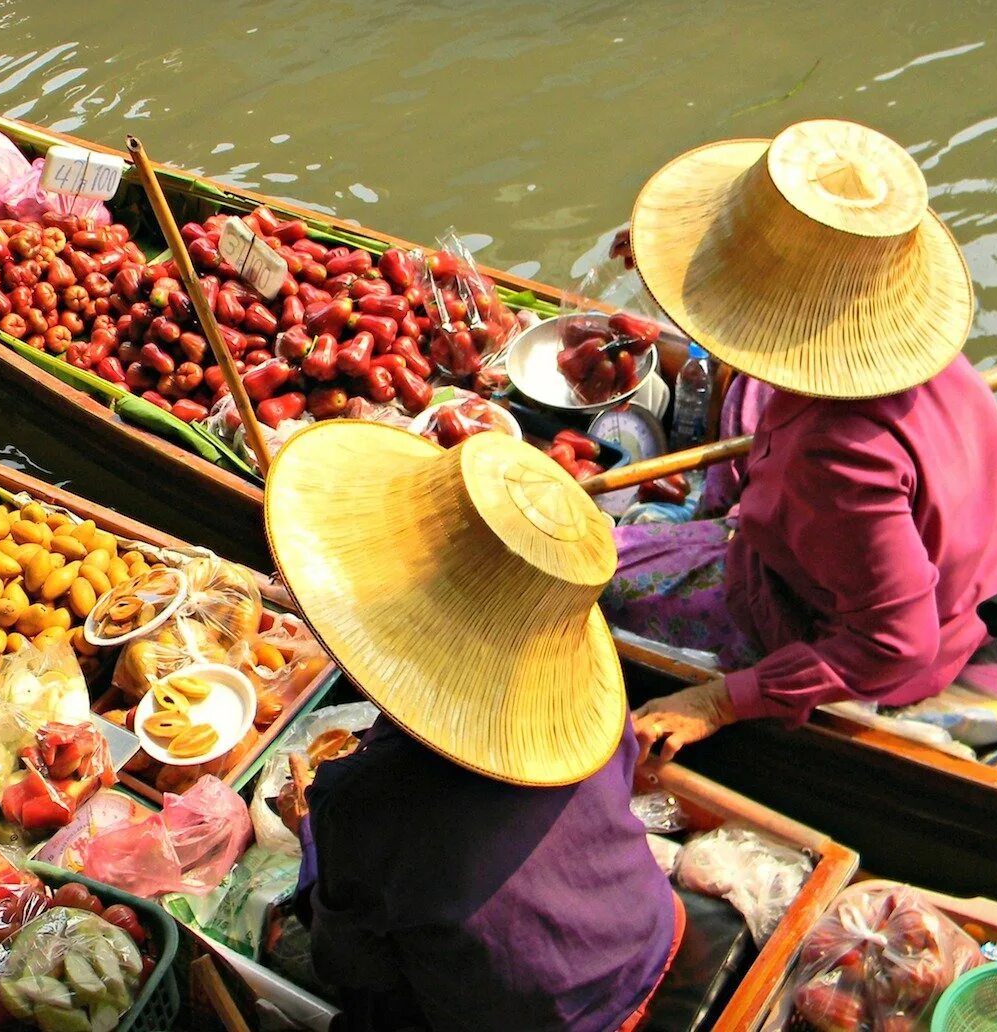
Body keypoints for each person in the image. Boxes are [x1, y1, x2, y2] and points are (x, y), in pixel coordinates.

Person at [600, 118, 997, 761]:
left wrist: (719, 700)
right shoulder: (918, 352)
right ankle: (718, 519)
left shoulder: (836, 460)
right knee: (742, 397)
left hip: (906, 632)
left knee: (602, 579)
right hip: (980, 569)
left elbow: (897, 643)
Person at [264, 421, 683, 1031]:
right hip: (650, 929)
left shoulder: (359, 802)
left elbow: (347, 965)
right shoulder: (588, 708)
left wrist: (313, 836)